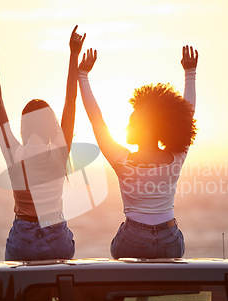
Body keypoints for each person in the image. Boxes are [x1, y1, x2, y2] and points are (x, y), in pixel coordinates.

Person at [78, 45, 198, 259]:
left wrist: (82, 76)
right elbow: (187, 115)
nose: (126, 127)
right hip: (169, 240)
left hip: (133, 239)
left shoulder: (121, 160)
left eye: (132, 123)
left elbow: (97, 121)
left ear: (148, 129)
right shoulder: (176, 158)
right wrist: (190, 73)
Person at [0, 26, 86, 261]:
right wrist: (73, 54)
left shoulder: (13, 152)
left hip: (23, 238)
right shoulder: (60, 151)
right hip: (56, 237)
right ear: (51, 125)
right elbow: (71, 101)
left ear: (24, 126)